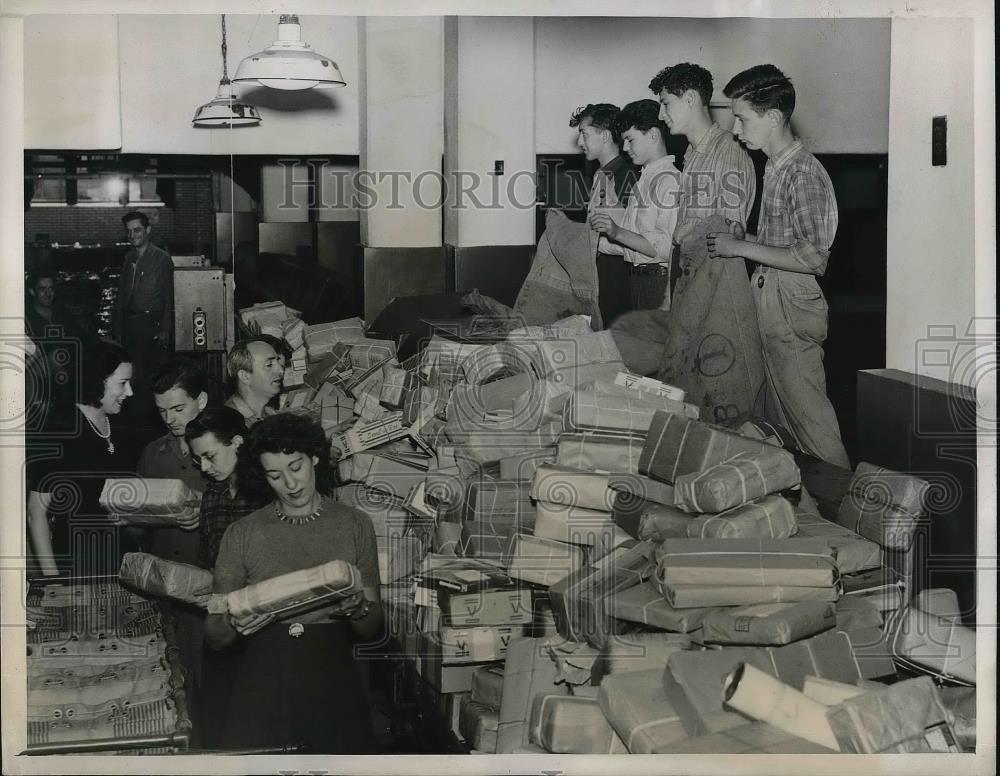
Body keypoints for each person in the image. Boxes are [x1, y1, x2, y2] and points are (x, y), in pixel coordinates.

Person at [205, 413, 381, 753]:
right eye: (275, 475)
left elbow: (372, 627)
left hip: (334, 678)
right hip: (263, 676)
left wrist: (359, 609)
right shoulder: (242, 533)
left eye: (296, 466)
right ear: (262, 477)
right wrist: (232, 622)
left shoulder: (355, 525)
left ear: (315, 457)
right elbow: (214, 633)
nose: (290, 483)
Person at [708, 64, 850, 467]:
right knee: (778, 424)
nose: (736, 129)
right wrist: (746, 239)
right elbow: (782, 245)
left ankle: (850, 508)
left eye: (742, 118)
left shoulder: (802, 174)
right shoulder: (775, 167)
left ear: (772, 118)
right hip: (771, 301)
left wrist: (739, 248)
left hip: (790, 306)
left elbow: (812, 257)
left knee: (813, 426)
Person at [648, 63, 765, 422]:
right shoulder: (694, 155)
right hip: (690, 285)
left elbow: (728, 237)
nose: (661, 113)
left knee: (718, 398)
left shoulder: (728, 154)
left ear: (690, 99)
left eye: (666, 103)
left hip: (714, 292)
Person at [134, 358, 208, 726]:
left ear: (203, 401)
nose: (170, 419)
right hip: (163, 590)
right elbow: (136, 529)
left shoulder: (226, 448)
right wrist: (128, 514)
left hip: (209, 589)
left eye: (179, 408)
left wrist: (204, 514)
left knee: (208, 685)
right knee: (170, 686)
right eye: (163, 411)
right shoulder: (152, 455)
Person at [184, 406, 263, 751]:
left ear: (238, 443)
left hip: (260, 624)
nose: (204, 467)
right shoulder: (213, 491)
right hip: (219, 622)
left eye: (210, 456)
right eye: (199, 459)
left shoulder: (266, 493)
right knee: (220, 723)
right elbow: (208, 558)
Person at [26, 340, 134, 577]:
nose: (130, 392)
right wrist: (52, 581)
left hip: (120, 563)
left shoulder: (120, 423)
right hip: (76, 567)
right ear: (97, 380)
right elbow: (36, 511)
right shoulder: (61, 429)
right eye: (123, 383)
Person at [590, 99, 681, 313]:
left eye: (630, 140)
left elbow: (666, 249)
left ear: (653, 135)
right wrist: (595, 243)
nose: (625, 148)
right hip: (637, 281)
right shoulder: (643, 181)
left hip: (658, 284)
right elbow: (635, 246)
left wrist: (616, 231)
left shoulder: (670, 181)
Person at [568, 103, 639, 326]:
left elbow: (635, 233)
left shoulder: (626, 174)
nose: (580, 143)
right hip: (603, 271)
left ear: (606, 135)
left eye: (584, 134)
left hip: (621, 274)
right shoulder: (601, 173)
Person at [114, 211, 173, 417]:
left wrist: (165, 330)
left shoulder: (161, 259)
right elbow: (122, 296)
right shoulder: (128, 258)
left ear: (148, 230)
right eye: (128, 231)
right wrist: (118, 328)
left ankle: (148, 420)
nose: (132, 235)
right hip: (130, 324)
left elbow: (169, 297)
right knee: (131, 373)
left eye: (137, 230)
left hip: (150, 324)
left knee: (150, 375)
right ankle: (135, 418)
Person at [223, 338, 284, 427]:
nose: (281, 370)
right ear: (245, 376)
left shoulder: (268, 413)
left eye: (278, 362)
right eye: (269, 365)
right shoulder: (230, 424)